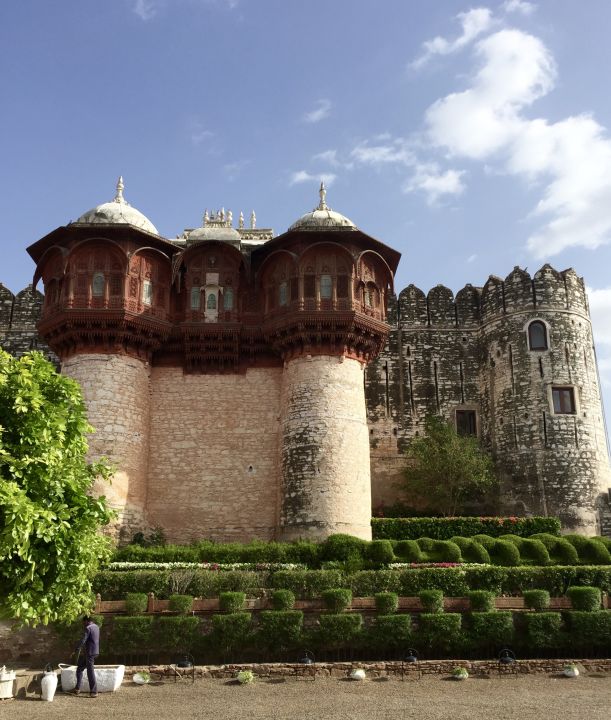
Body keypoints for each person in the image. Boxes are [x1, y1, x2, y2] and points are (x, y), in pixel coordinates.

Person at [71, 616, 100, 697]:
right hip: (95, 651)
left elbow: (83, 640)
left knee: (90, 672)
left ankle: (94, 692)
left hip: (90, 653)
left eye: (83, 622)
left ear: (87, 621)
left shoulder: (88, 628)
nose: (83, 624)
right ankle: (77, 689)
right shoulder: (96, 627)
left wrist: (76, 649)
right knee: (79, 668)